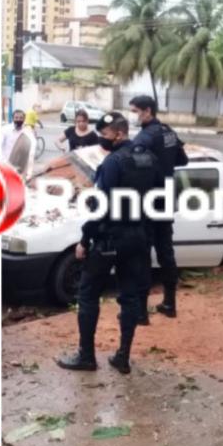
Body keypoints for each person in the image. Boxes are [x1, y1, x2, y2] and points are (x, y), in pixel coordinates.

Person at [57, 112, 160, 374]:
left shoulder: (114, 163)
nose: (102, 139)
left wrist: (85, 238)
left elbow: (100, 206)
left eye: (105, 135)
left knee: (89, 293)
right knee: (129, 297)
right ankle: (123, 357)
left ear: (120, 134)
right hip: (137, 238)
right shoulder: (150, 160)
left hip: (109, 238)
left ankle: (86, 356)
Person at [129, 94, 188, 320]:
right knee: (166, 252)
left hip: (148, 200)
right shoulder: (168, 132)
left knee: (143, 254)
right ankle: (169, 304)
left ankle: (141, 312)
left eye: (134, 111)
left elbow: (134, 169)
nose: (133, 115)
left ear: (147, 111)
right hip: (166, 199)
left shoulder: (144, 138)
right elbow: (183, 161)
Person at [1, 109, 34, 176]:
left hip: (21, 166)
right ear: (12, 118)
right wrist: (4, 162)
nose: (18, 120)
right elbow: (0, 146)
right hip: (7, 164)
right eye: (16, 118)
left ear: (24, 119)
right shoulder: (5, 130)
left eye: (21, 118)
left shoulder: (27, 131)